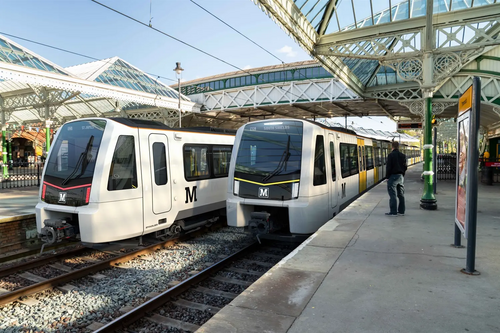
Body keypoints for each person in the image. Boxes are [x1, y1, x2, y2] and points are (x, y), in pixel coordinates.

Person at [385, 141, 407, 216]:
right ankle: (401, 211)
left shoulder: (391, 155)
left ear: (392, 147)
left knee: (393, 194)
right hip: (400, 176)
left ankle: (393, 212)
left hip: (393, 176)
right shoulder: (402, 155)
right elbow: (405, 167)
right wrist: (402, 174)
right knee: (401, 194)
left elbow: (388, 167)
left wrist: (387, 177)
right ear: (398, 147)